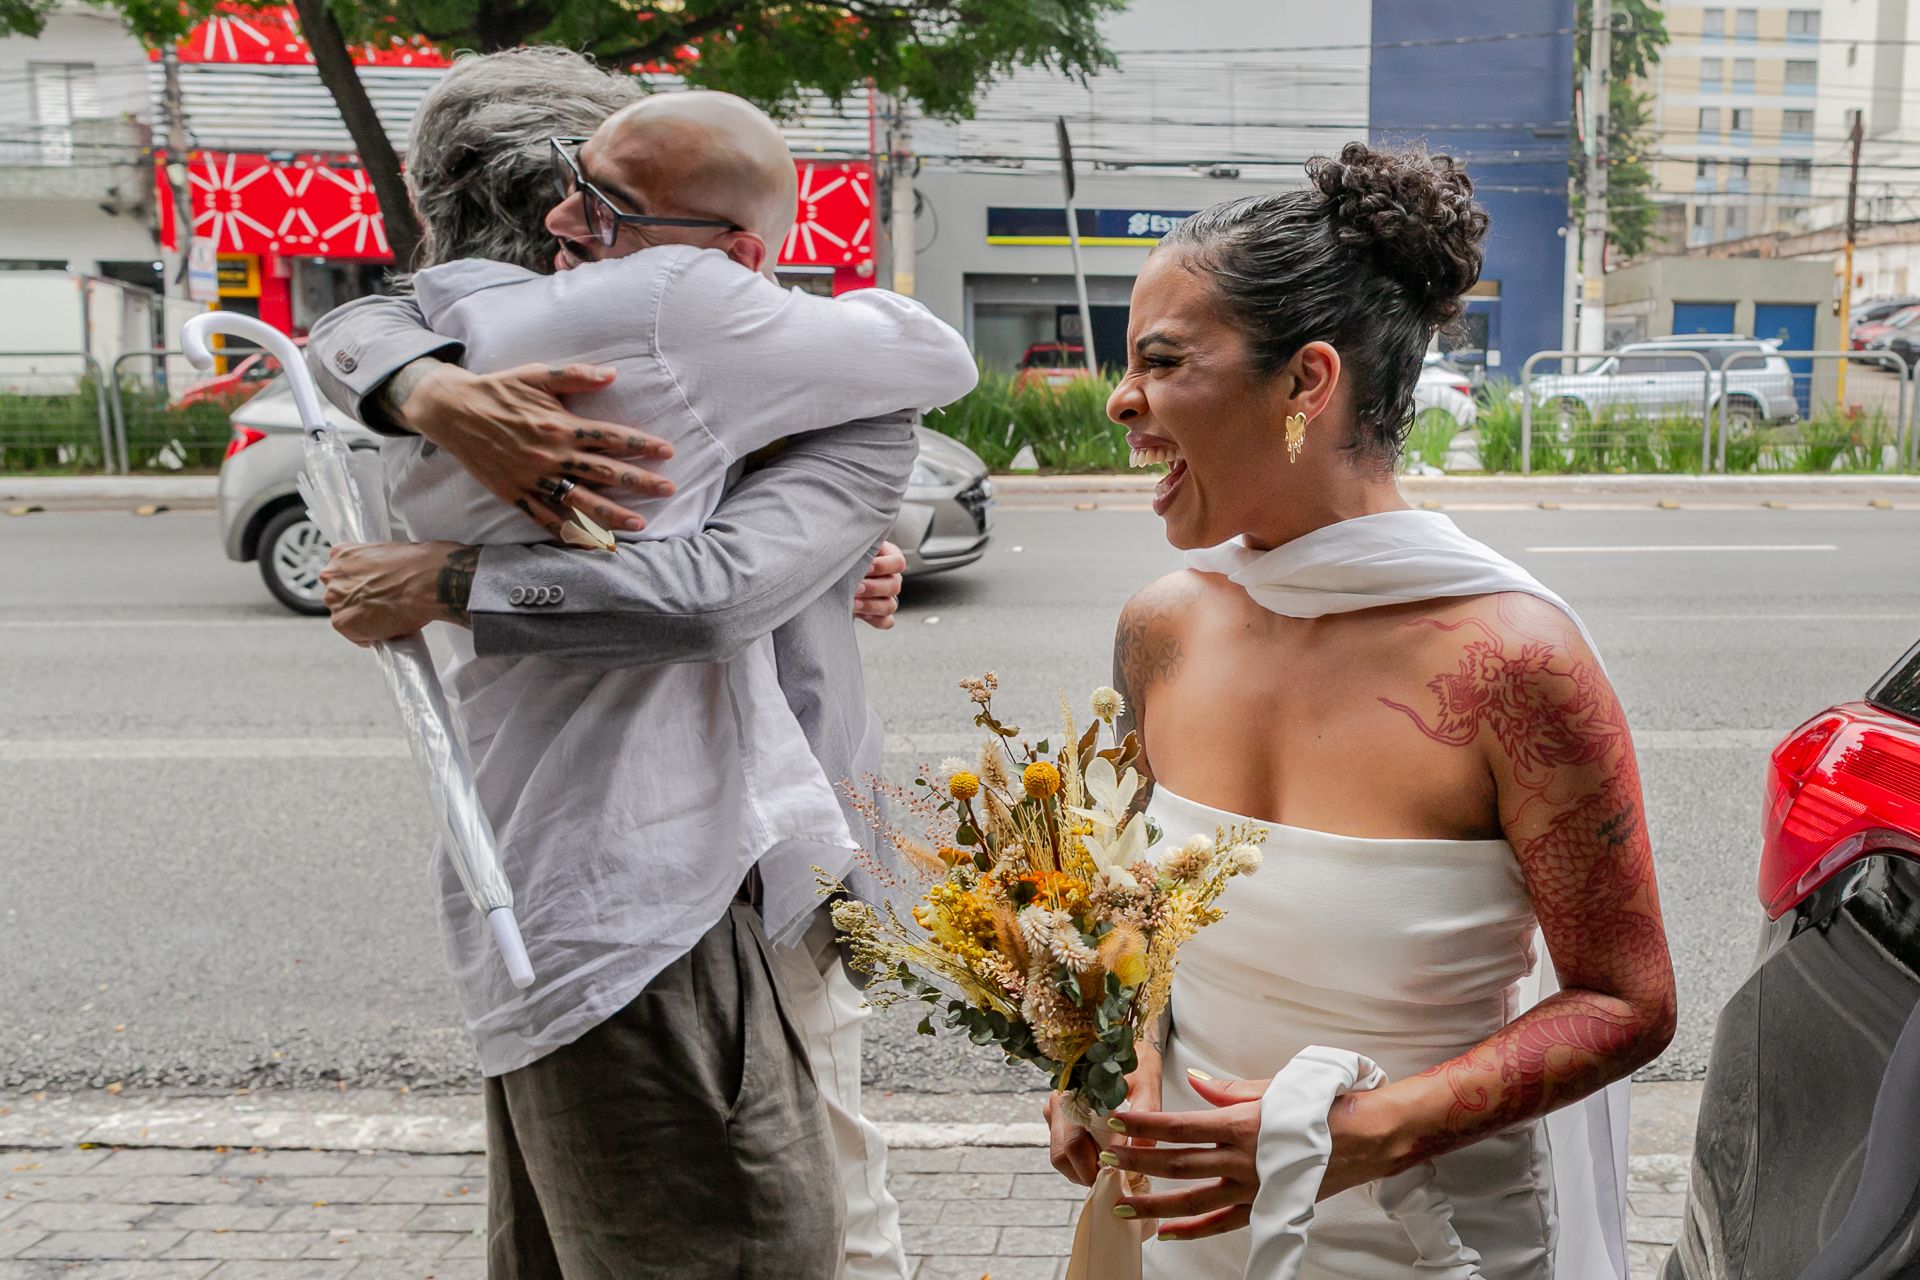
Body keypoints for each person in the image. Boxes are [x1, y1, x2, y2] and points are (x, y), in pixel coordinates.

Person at [309, 52, 974, 1279]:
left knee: (814, 1201)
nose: (571, 232)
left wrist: (448, 570)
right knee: (762, 1217)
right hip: (657, 888)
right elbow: (365, 323)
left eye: (603, 207)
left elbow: (715, 590)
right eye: (569, 196)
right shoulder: (501, 355)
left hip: (751, 864)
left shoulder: (736, 350)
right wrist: (428, 390)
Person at [1045, 143, 1678, 1278]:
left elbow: (1627, 999)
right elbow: (1133, 903)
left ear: (1308, 381)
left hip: (1424, 1236)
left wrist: (1362, 1135)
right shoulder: (1163, 628)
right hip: (1188, 1220)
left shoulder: (1512, 662)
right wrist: (1099, 1059)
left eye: (1161, 360)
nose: (1120, 397)